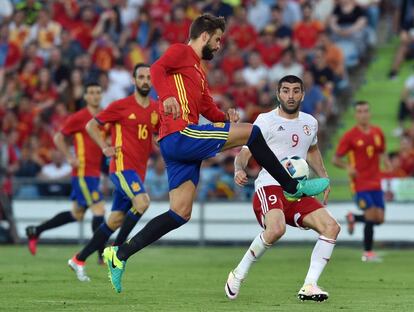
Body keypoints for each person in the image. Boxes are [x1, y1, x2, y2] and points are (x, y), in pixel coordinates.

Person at [102, 13, 329, 293]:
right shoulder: (181, 51)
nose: (220, 45)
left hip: (179, 148)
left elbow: (208, 108)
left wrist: (225, 117)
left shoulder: (197, 71)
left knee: (180, 213)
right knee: (252, 133)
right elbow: (157, 68)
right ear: (205, 35)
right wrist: (167, 96)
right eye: (218, 39)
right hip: (180, 134)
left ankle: (120, 254)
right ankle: (291, 185)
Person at [225, 75, 340, 302]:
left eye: (296, 91)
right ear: (278, 94)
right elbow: (246, 152)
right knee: (276, 229)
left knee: (331, 227)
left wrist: (324, 178)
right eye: (286, 90)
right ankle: (239, 273)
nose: (290, 95)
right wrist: (239, 169)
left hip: (297, 189)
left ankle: (309, 285)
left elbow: (313, 150)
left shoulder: (310, 123)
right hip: (270, 185)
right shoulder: (265, 121)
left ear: (302, 94)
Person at [68, 63, 160, 282]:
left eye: (148, 77)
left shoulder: (156, 109)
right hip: (121, 167)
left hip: (138, 172)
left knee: (115, 220)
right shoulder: (121, 106)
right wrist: (104, 147)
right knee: (143, 202)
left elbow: (156, 135)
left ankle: (78, 259)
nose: (145, 80)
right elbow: (92, 125)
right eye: (141, 77)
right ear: (133, 80)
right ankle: (117, 252)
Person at [25, 82, 106, 259]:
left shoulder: (103, 117)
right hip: (83, 173)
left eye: (98, 92)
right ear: (85, 97)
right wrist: (69, 157)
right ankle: (101, 255)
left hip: (93, 173)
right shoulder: (79, 117)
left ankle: (35, 230)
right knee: (99, 210)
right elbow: (58, 138)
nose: (95, 96)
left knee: (76, 214)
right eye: (91, 92)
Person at [333, 101, 388, 262]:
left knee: (380, 219)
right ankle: (368, 253)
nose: (363, 114)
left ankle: (353, 218)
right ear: (355, 115)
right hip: (359, 184)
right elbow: (335, 159)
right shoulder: (350, 136)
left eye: (365, 111)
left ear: (369, 113)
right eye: (359, 111)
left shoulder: (378, 132)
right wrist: (347, 167)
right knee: (371, 215)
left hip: (376, 182)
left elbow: (382, 151)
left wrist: (386, 161)